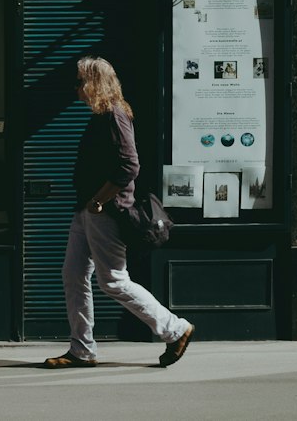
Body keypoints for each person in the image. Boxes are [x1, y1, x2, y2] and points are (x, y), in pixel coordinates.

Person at [43, 55, 194, 370]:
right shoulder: (102, 115)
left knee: (112, 280)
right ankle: (82, 349)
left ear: (95, 83)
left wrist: (100, 199)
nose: (76, 87)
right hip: (86, 208)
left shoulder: (114, 114)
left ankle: (175, 328)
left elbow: (129, 165)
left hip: (105, 210)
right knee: (73, 275)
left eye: (80, 81)